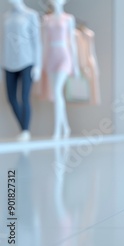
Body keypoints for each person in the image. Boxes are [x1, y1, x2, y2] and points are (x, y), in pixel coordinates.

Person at [1, 0, 42, 141]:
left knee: (24, 97)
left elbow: (37, 41)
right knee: (11, 98)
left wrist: (38, 65)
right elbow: (5, 42)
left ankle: (25, 130)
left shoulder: (31, 15)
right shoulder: (6, 16)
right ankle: (23, 128)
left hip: (27, 61)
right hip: (8, 62)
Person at [42, 0, 80, 140]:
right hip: (51, 56)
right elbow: (44, 42)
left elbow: (72, 43)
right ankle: (66, 127)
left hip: (64, 55)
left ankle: (57, 130)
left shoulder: (69, 19)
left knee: (57, 91)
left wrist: (75, 65)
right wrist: (42, 63)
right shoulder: (46, 19)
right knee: (56, 94)